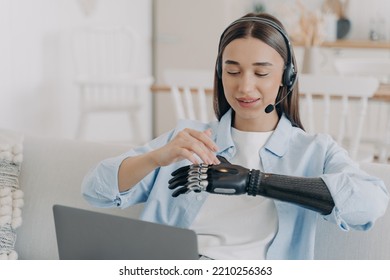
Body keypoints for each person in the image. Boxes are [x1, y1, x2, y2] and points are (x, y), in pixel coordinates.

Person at [81, 12, 389, 260]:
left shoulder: (315, 150)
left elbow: (371, 203)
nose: (244, 87)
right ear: (219, 73)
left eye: (261, 72)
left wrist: (256, 182)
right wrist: (154, 157)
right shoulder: (186, 139)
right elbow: (96, 190)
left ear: (287, 77)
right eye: (233, 71)